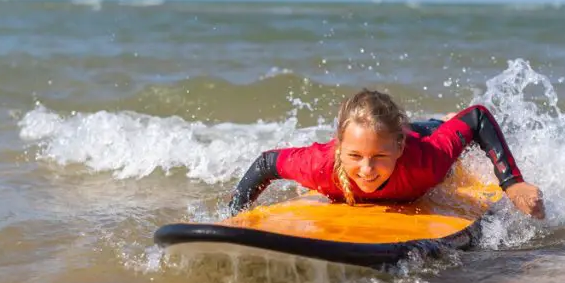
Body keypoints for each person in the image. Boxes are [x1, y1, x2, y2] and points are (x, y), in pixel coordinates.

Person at [228, 89, 545, 218]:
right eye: (354, 157)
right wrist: (234, 216)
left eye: (378, 158)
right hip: (384, 136)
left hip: (420, 135)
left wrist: (512, 182)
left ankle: (438, 120)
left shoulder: (426, 162)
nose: (366, 170)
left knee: (440, 133)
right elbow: (267, 163)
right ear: (339, 147)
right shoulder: (320, 165)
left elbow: (476, 118)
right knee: (370, 142)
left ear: (398, 149)